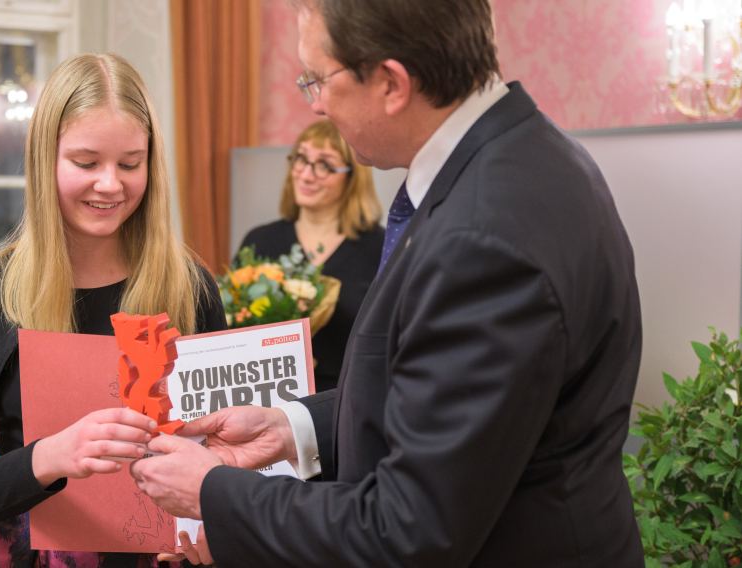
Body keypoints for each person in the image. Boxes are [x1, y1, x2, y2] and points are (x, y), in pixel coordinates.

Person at [130, 0, 645, 566]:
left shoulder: (481, 239)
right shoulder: (526, 155)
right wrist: (291, 426)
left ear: (391, 83)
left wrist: (213, 493)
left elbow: (407, 532)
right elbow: (448, 412)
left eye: (317, 79)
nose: (317, 104)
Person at [0, 53, 226, 566]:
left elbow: (224, 454)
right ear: (46, 160)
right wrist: (52, 455)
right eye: (86, 163)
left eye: (131, 163)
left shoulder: (191, 287)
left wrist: (218, 529)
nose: (111, 184)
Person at [238, 119, 383, 393]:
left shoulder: (379, 247)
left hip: (345, 405)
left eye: (325, 165)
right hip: (270, 401)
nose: (306, 174)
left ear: (353, 178)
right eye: (301, 159)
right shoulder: (259, 241)